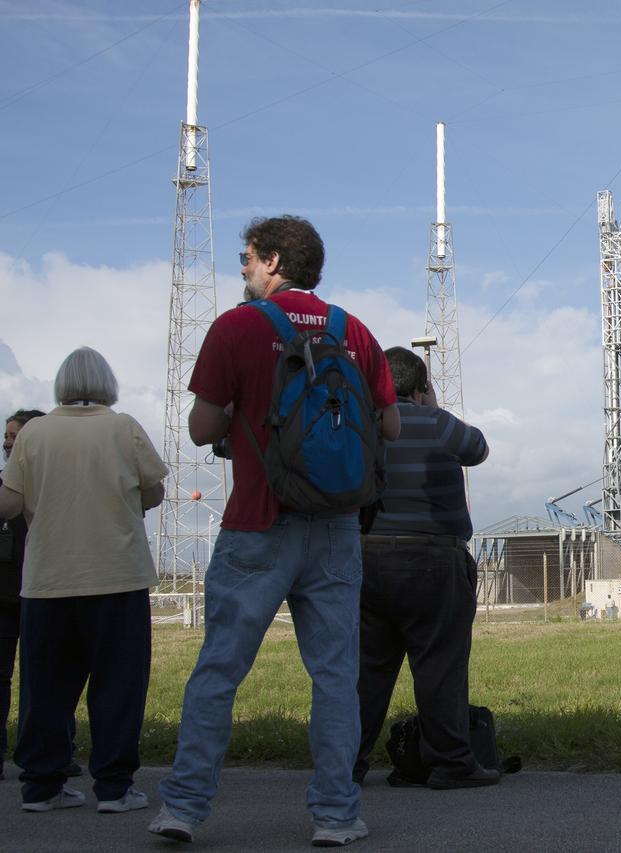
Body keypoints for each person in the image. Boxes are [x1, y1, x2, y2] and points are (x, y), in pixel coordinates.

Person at [151, 216, 400, 847]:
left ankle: (183, 806)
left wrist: (244, 417)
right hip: (337, 528)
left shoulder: (236, 327)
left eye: (247, 258)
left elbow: (203, 429)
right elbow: (390, 428)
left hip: (258, 524)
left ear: (272, 261)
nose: (241, 268)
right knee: (335, 677)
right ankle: (336, 815)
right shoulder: (356, 332)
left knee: (219, 671)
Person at [0, 349, 165, 813]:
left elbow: (9, 506)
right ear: (106, 383)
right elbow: (154, 491)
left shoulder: (33, 433)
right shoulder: (124, 427)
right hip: (117, 576)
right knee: (118, 686)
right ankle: (114, 787)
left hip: (48, 581)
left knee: (45, 687)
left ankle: (41, 785)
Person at [352, 347, 492, 789]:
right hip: (434, 560)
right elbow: (478, 448)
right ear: (420, 388)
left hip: (367, 559)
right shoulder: (435, 422)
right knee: (439, 667)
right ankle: (450, 763)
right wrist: (432, 408)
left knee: (366, 671)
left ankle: (345, 766)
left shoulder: (363, 427)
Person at [1, 408, 46, 782]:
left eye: (16, 436)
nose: (8, 442)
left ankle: (45, 756)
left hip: (41, 593)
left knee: (44, 680)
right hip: (5, 597)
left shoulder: (51, 491)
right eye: (7, 436)